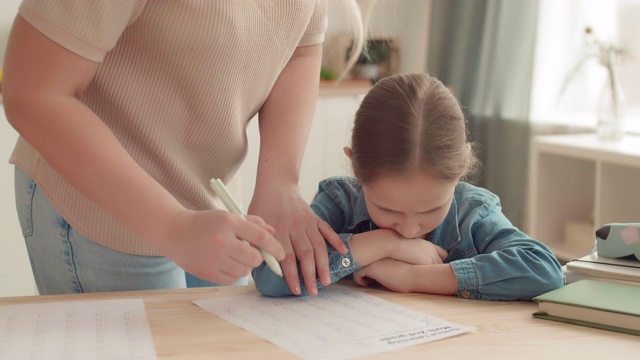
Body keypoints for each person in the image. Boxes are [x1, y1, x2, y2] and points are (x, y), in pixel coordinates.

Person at [2, 0, 367, 295]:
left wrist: (279, 182)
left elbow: (301, 48)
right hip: (102, 207)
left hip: (212, 205)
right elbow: (32, 92)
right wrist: (172, 227)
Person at [253, 73, 565, 301]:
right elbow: (271, 277)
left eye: (431, 209)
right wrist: (385, 244)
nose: (409, 230)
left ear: (460, 171)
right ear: (356, 167)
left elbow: (543, 270)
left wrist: (415, 277)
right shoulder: (340, 202)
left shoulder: (472, 212)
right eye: (387, 210)